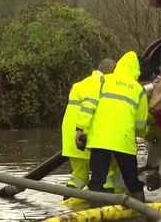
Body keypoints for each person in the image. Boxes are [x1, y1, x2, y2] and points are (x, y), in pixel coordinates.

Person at [76, 51, 148, 203]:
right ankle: (142, 210)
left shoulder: (103, 81)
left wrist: (80, 128)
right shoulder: (138, 89)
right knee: (131, 179)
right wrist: (145, 134)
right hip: (124, 141)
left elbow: (88, 105)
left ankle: (95, 211)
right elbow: (140, 124)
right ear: (136, 70)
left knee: (97, 180)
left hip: (100, 140)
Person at [61, 58, 121, 200]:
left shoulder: (81, 84)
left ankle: (66, 206)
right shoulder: (102, 84)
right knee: (106, 173)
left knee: (79, 176)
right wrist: (82, 130)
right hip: (85, 135)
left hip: (70, 135)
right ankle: (106, 208)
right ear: (111, 72)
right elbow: (90, 108)